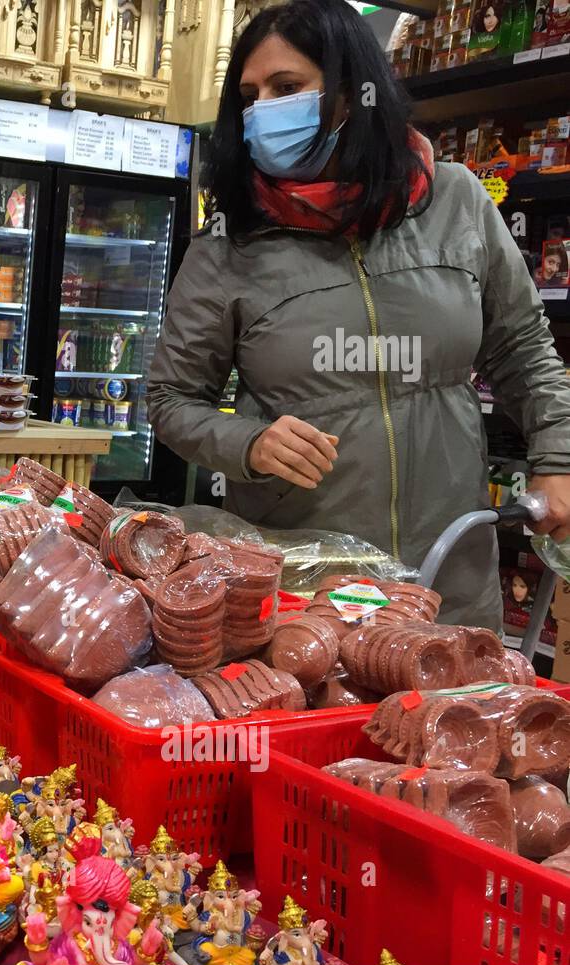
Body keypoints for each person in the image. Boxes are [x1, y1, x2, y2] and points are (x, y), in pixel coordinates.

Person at [146, 0, 570, 627]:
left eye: (287, 87)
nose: (264, 109)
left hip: (449, 563)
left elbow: (523, 349)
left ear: (351, 92)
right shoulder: (227, 245)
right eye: (250, 95)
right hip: (306, 580)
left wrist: (557, 458)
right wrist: (249, 441)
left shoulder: (456, 200)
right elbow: (171, 398)